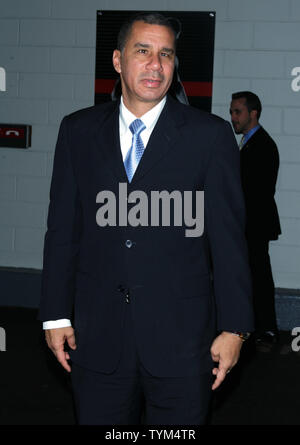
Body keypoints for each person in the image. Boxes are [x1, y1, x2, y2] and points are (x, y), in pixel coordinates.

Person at [38, 13, 254, 425]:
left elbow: (229, 240)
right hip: (96, 337)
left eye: (166, 54)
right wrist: (55, 314)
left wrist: (235, 328)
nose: (156, 65)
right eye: (143, 51)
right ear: (118, 61)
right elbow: (62, 230)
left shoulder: (208, 137)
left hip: (185, 343)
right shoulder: (77, 132)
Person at [230, 91, 281, 347]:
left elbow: (255, 192)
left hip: (254, 224)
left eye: (237, 112)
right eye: (231, 112)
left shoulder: (262, 145)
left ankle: (267, 328)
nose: (233, 117)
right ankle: (261, 326)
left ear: (253, 113)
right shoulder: (251, 143)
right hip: (251, 224)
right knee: (254, 274)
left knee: (258, 274)